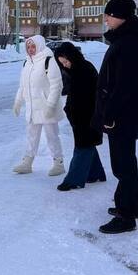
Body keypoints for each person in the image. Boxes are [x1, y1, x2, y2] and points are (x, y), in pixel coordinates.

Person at [92, 0, 138, 234]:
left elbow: (123, 86)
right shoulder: (125, 40)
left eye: (109, 15)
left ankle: (126, 216)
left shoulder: (128, 44)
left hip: (121, 116)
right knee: (125, 163)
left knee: (123, 165)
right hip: (122, 115)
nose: (106, 18)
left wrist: (109, 114)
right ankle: (129, 206)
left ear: (122, 17)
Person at [54, 42, 106, 191]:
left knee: (83, 145)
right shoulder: (77, 69)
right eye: (62, 63)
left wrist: (73, 110)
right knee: (87, 143)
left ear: (72, 57)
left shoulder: (83, 69)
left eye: (66, 61)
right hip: (82, 115)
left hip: (87, 115)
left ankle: (73, 180)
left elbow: (87, 96)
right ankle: (95, 173)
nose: (65, 65)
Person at [12, 35, 65, 176]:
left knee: (52, 136)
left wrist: (51, 105)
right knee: (31, 136)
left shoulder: (48, 60)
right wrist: (18, 102)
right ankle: (27, 162)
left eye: (33, 46)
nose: (30, 49)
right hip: (32, 108)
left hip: (47, 107)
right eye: (28, 47)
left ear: (39, 45)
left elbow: (56, 85)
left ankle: (58, 162)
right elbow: (22, 86)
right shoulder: (27, 63)